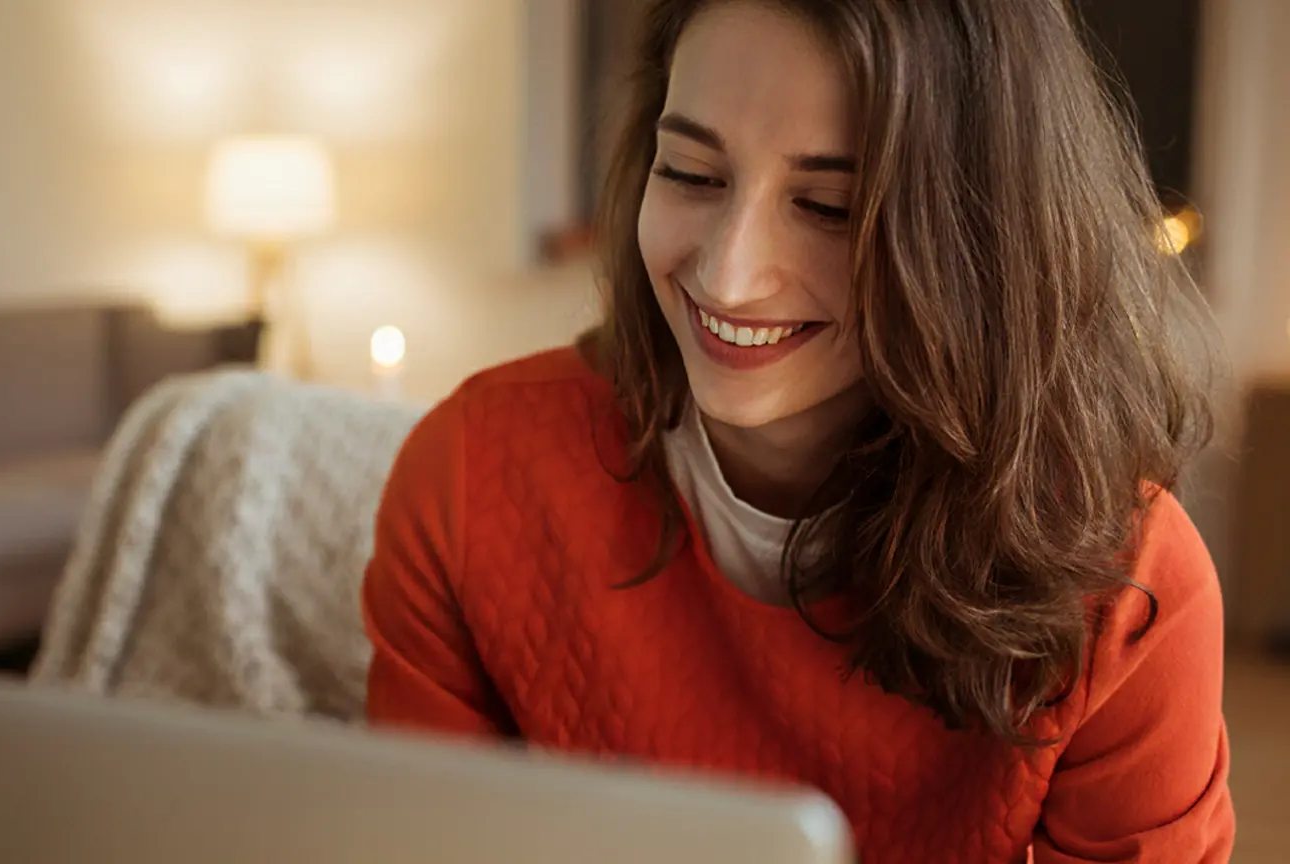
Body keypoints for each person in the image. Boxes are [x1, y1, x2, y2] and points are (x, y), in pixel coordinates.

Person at [361, 0, 1234, 861]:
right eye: (692, 174)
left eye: (828, 206)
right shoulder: (471, 475)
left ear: (982, 237)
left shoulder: (1127, 592)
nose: (728, 278)